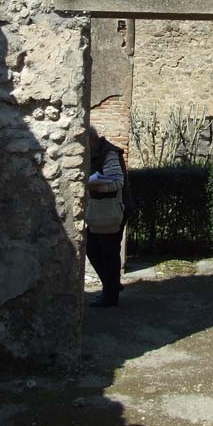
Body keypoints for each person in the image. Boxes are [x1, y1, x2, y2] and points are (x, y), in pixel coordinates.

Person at [86, 127, 127, 307]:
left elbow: (117, 182)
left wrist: (91, 186)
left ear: (92, 141)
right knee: (94, 247)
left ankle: (110, 296)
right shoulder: (98, 152)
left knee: (108, 252)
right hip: (103, 211)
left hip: (112, 211)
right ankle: (111, 286)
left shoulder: (108, 153)